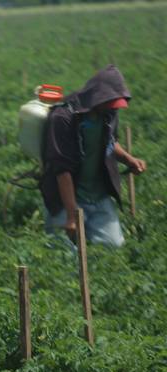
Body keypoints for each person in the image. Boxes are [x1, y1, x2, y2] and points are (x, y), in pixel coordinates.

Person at [39, 65, 146, 247]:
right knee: (63, 251)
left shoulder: (109, 113)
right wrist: (72, 217)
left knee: (113, 246)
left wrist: (129, 159)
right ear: (98, 97)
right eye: (110, 104)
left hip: (98, 195)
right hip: (66, 197)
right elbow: (61, 169)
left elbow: (110, 141)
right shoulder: (63, 116)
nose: (114, 109)